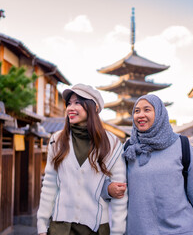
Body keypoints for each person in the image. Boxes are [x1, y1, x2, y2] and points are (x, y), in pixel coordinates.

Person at [105, 94, 193, 235]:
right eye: (137, 111)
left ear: (160, 113)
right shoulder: (129, 148)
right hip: (139, 230)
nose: (140, 115)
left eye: (147, 110)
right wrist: (108, 189)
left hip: (181, 230)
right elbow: (107, 181)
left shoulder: (181, 145)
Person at [36, 83, 127, 235]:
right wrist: (41, 225)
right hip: (60, 227)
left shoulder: (112, 143)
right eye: (69, 103)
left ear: (94, 107)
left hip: (97, 228)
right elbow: (50, 185)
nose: (70, 108)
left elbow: (120, 193)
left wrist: (118, 231)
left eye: (77, 102)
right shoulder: (57, 140)